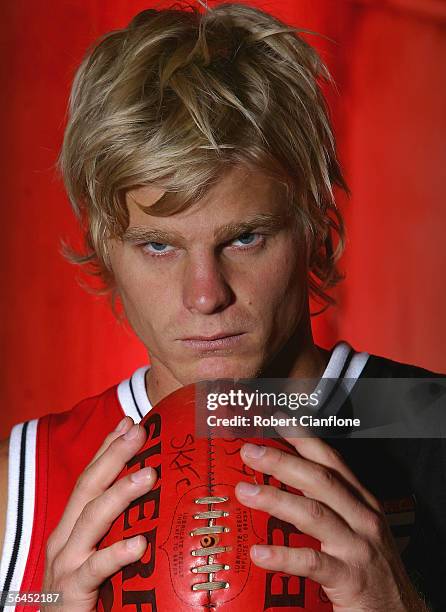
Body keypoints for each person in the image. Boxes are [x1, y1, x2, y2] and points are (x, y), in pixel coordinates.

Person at [0, 3, 444, 611]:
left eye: (245, 238)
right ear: (105, 246)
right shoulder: (19, 487)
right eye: (158, 245)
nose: (206, 295)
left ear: (315, 224)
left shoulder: (432, 425)